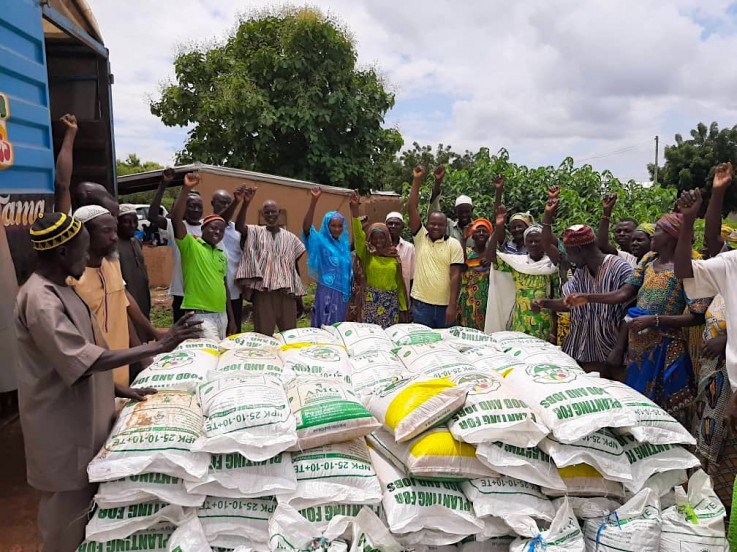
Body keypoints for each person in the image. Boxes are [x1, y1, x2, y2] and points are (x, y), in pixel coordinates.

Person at [15, 212, 201, 552]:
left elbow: (81, 354)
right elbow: (82, 360)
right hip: (62, 431)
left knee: (87, 519)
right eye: (82, 251)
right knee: (64, 527)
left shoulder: (64, 290)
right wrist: (157, 345)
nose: (87, 259)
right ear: (61, 253)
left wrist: (117, 388)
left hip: (85, 419)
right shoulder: (41, 301)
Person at [566, 212, 710, 425]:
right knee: (637, 403)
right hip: (638, 347)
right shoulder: (648, 260)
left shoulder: (690, 266)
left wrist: (655, 320)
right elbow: (624, 294)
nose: (653, 235)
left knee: (666, 408)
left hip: (666, 347)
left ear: (671, 236)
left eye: (658, 231)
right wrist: (588, 297)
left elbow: (698, 316)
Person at [674, 165, 737, 500]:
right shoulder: (731, 264)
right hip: (721, 377)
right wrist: (688, 220)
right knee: (719, 449)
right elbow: (687, 268)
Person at [532, 222, 633, 376]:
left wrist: (619, 348)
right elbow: (569, 302)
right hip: (582, 349)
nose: (570, 259)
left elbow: (628, 306)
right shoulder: (582, 272)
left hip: (612, 352)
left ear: (579, 249)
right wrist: (545, 303)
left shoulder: (620, 268)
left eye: (570, 253)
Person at [485, 196, 560, 341]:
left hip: (544, 325)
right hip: (519, 323)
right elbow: (491, 257)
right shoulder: (517, 263)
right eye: (529, 241)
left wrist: (554, 330)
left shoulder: (551, 266)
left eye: (537, 241)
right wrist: (498, 227)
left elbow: (557, 299)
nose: (533, 244)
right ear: (525, 243)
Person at [172, 173, 235, 340]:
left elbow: (224, 287)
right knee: (208, 356)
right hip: (200, 316)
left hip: (222, 315)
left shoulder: (221, 254)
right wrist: (186, 189)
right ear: (203, 229)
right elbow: (176, 219)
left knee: (219, 355)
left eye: (221, 230)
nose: (217, 232)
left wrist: (232, 319)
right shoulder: (191, 246)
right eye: (213, 228)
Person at [235, 189, 306, 335]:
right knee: (263, 335)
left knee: (289, 336)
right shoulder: (255, 232)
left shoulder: (290, 238)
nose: (270, 215)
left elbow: (294, 266)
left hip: (286, 293)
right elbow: (239, 227)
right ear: (263, 215)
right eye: (266, 212)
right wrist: (245, 204)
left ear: (279, 213)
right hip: (263, 293)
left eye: (273, 212)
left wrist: (298, 297)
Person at [408, 166, 465, 328]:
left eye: (440, 225)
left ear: (445, 226)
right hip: (421, 305)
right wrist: (416, 179)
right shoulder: (420, 238)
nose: (435, 227)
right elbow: (412, 208)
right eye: (432, 224)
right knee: (422, 345)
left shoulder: (453, 245)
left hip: (444, 307)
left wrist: (452, 305)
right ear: (427, 224)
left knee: (444, 347)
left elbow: (455, 277)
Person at [148, 168, 203, 322]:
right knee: (182, 336)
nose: (196, 210)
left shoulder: (209, 227)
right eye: (191, 206)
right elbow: (152, 216)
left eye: (199, 206)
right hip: (181, 291)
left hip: (202, 291)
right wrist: (163, 185)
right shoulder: (175, 225)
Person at [351, 192, 406, 327]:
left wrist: (404, 308)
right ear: (370, 238)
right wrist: (355, 211)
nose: (378, 241)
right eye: (374, 238)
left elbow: (399, 284)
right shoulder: (367, 254)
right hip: (370, 302)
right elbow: (358, 236)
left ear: (387, 238)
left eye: (382, 237)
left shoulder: (394, 256)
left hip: (390, 303)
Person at [302, 187, 353, 326]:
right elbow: (306, 229)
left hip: (344, 296)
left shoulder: (344, 247)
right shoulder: (320, 242)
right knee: (326, 328)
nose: (337, 229)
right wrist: (313, 201)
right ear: (327, 226)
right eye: (333, 226)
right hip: (327, 295)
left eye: (339, 226)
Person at [211, 188, 244, 331]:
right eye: (222, 203)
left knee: (234, 334)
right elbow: (221, 220)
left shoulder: (238, 230)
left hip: (234, 291)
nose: (225, 206)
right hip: (212, 293)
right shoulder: (206, 226)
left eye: (228, 203)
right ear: (212, 203)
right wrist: (236, 201)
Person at [458, 218, 493, 330]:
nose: (481, 233)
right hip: (467, 300)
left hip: (487, 301)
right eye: (478, 231)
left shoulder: (492, 255)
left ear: (489, 235)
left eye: (484, 231)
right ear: (472, 235)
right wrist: (463, 239)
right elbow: (460, 263)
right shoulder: (467, 252)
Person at [117, 204, 151, 319]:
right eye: (126, 222)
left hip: (142, 298)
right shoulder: (113, 246)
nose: (132, 225)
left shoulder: (136, 242)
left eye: (135, 221)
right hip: (126, 301)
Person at [596, 193, 638, 267]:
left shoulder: (647, 257)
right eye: (618, 231)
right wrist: (606, 213)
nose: (621, 234)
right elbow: (602, 245)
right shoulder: (619, 256)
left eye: (627, 231)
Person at [385, 211, 416, 297]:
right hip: (382, 296)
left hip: (402, 296)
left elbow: (413, 277)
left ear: (402, 227)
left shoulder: (409, 248)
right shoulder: (379, 247)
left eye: (397, 224)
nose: (393, 226)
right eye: (390, 223)